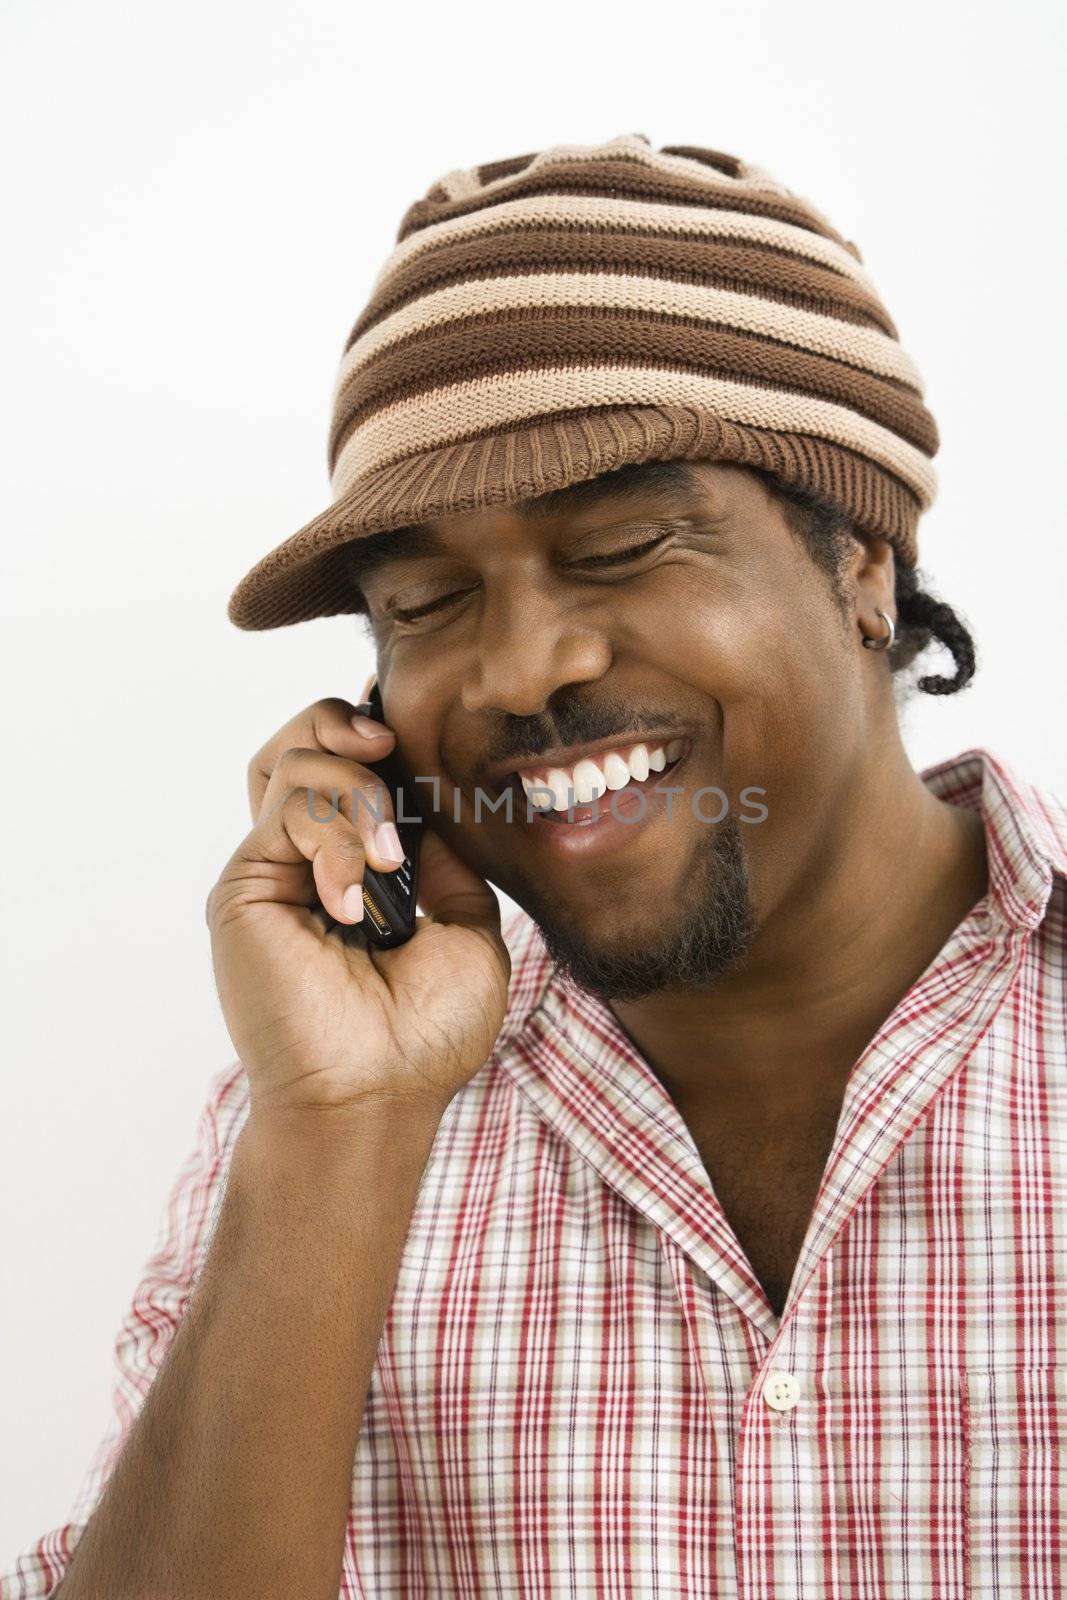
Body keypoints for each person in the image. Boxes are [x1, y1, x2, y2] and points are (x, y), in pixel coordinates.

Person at [6, 133, 1065, 1600]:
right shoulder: (323, 1123)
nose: (521, 669)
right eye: (428, 601)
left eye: (625, 545)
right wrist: (335, 1132)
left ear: (865, 563)